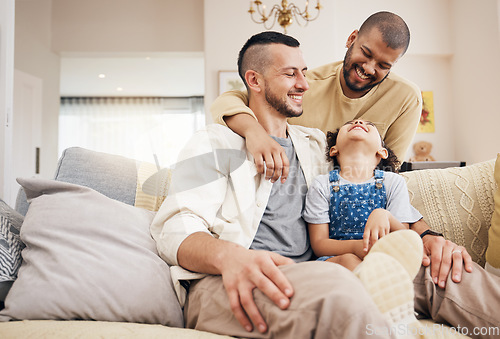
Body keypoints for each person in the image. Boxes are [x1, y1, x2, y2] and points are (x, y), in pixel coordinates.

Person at [151, 31, 423, 338]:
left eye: (304, 73)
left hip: (313, 271)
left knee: (434, 279)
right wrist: (230, 256)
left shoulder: (316, 144)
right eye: (290, 74)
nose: (305, 85)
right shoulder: (214, 143)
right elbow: (175, 228)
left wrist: (429, 236)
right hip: (229, 279)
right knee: (343, 294)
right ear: (254, 81)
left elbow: (373, 181)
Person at [210, 11, 474, 290]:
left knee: (451, 279)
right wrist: (254, 133)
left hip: (378, 230)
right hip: (330, 243)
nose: (370, 68)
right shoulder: (307, 86)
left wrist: (427, 234)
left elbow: (385, 178)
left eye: (384, 64)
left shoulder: (406, 98)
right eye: (366, 53)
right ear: (351, 40)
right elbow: (232, 98)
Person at [303, 119, 422, 271]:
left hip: (381, 256)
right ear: (333, 149)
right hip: (335, 259)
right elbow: (319, 244)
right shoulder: (321, 184)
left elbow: (402, 238)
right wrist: (354, 247)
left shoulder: (393, 182)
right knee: (348, 260)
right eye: (348, 123)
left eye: (370, 126)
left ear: (382, 151)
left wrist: (384, 215)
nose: (359, 122)